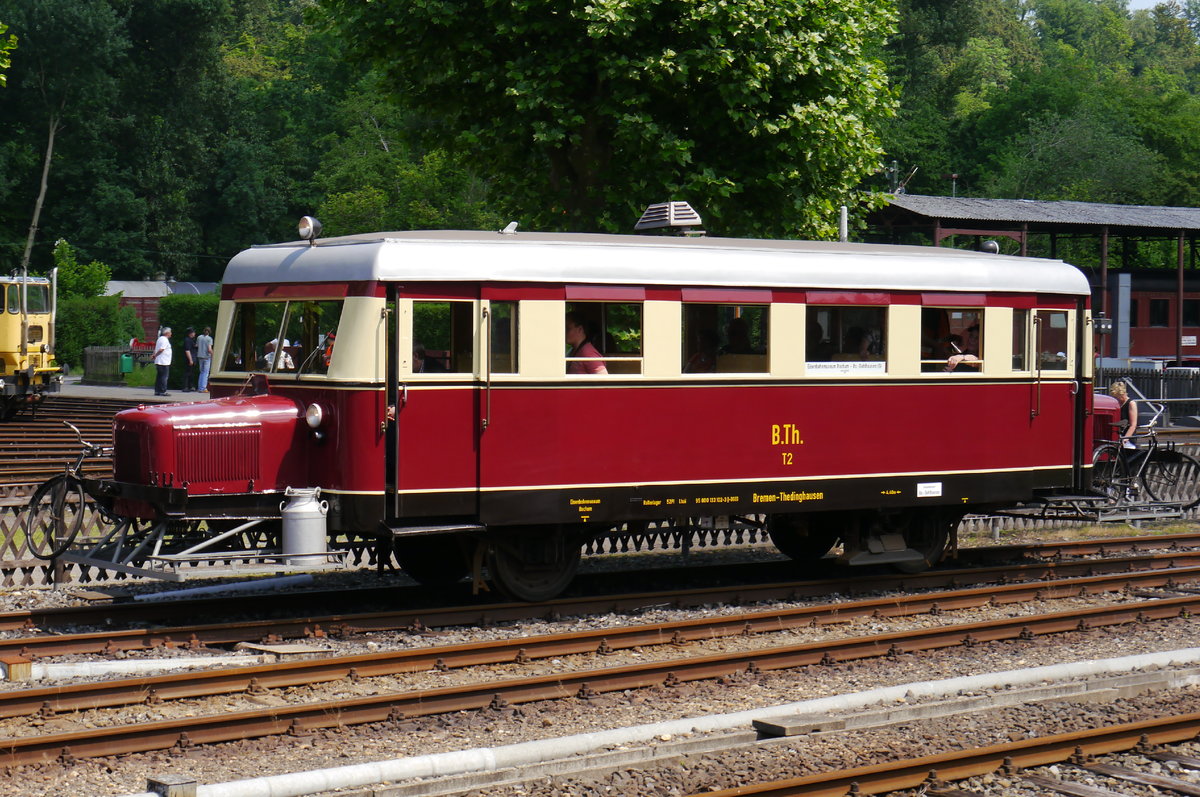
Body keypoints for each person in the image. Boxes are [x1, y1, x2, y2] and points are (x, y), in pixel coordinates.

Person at [1110, 381, 1139, 449]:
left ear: (1122, 394)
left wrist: (1125, 439)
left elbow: (1133, 425)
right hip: (1118, 436)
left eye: (1117, 397)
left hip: (1127, 437)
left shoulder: (1131, 404)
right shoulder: (1117, 403)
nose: (1116, 399)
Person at [153, 327, 172, 396]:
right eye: (170, 332)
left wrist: (154, 355)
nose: (171, 334)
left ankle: (157, 391)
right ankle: (163, 391)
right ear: (167, 333)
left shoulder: (159, 339)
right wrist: (155, 355)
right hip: (164, 361)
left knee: (159, 376)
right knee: (164, 377)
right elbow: (161, 349)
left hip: (159, 361)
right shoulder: (165, 340)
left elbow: (156, 348)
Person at [196, 326, 213, 391]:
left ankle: (199, 387)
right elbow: (209, 349)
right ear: (209, 332)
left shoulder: (199, 337)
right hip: (206, 357)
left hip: (200, 356)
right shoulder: (209, 339)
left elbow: (196, 345)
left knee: (201, 372)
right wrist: (213, 354)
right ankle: (203, 388)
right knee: (206, 373)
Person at [182, 327, 198, 391]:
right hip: (189, 359)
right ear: (190, 333)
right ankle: (185, 387)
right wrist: (190, 360)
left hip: (193, 358)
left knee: (191, 373)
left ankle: (190, 386)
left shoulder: (191, 340)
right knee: (187, 373)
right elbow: (187, 350)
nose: (194, 334)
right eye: (193, 332)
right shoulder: (187, 340)